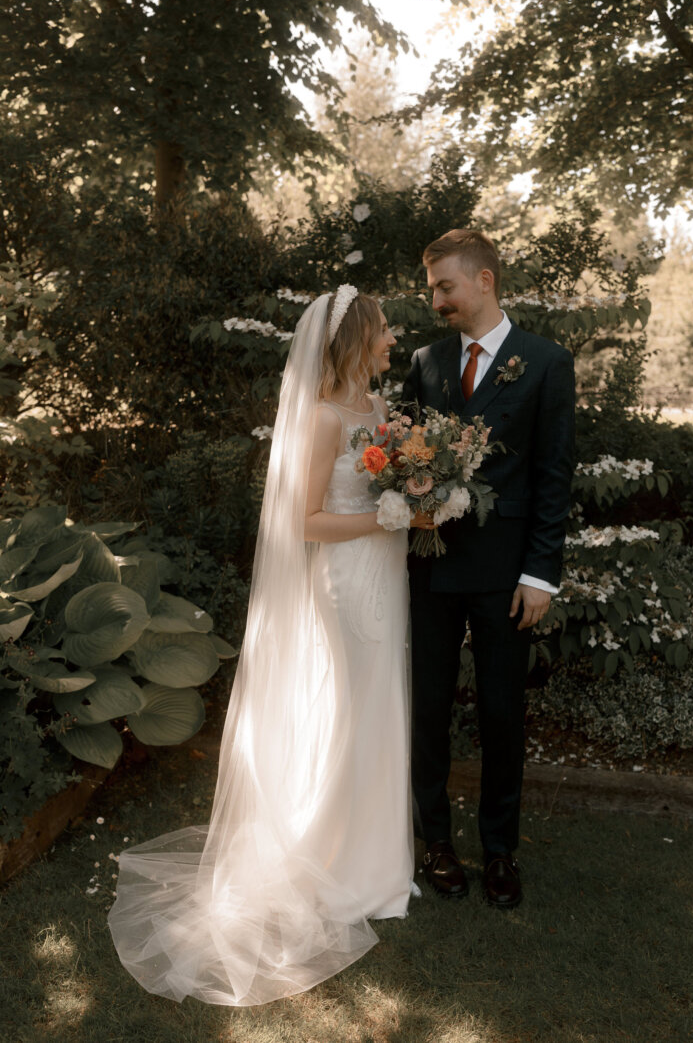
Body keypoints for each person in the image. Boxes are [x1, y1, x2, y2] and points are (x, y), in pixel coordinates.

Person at [108, 286, 424, 1006]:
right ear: (352, 340)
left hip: (388, 575)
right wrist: (389, 517)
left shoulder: (379, 411)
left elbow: (392, 488)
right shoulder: (320, 420)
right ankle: (332, 866)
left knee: (382, 710)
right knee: (349, 716)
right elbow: (307, 523)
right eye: (381, 332)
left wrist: (413, 504)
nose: (390, 341)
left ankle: (380, 866)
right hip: (348, 582)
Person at [403, 228, 575, 909]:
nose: (437, 301)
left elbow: (553, 474)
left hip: (507, 575)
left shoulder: (545, 361)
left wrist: (541, 575)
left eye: (445, 287)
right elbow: (410, 456)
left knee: (504, 712)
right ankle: (435, 842)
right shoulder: (426, 361)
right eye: (433, 290)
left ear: (483, 281)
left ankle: (500, 850)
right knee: (428, 710)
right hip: (432, 567)